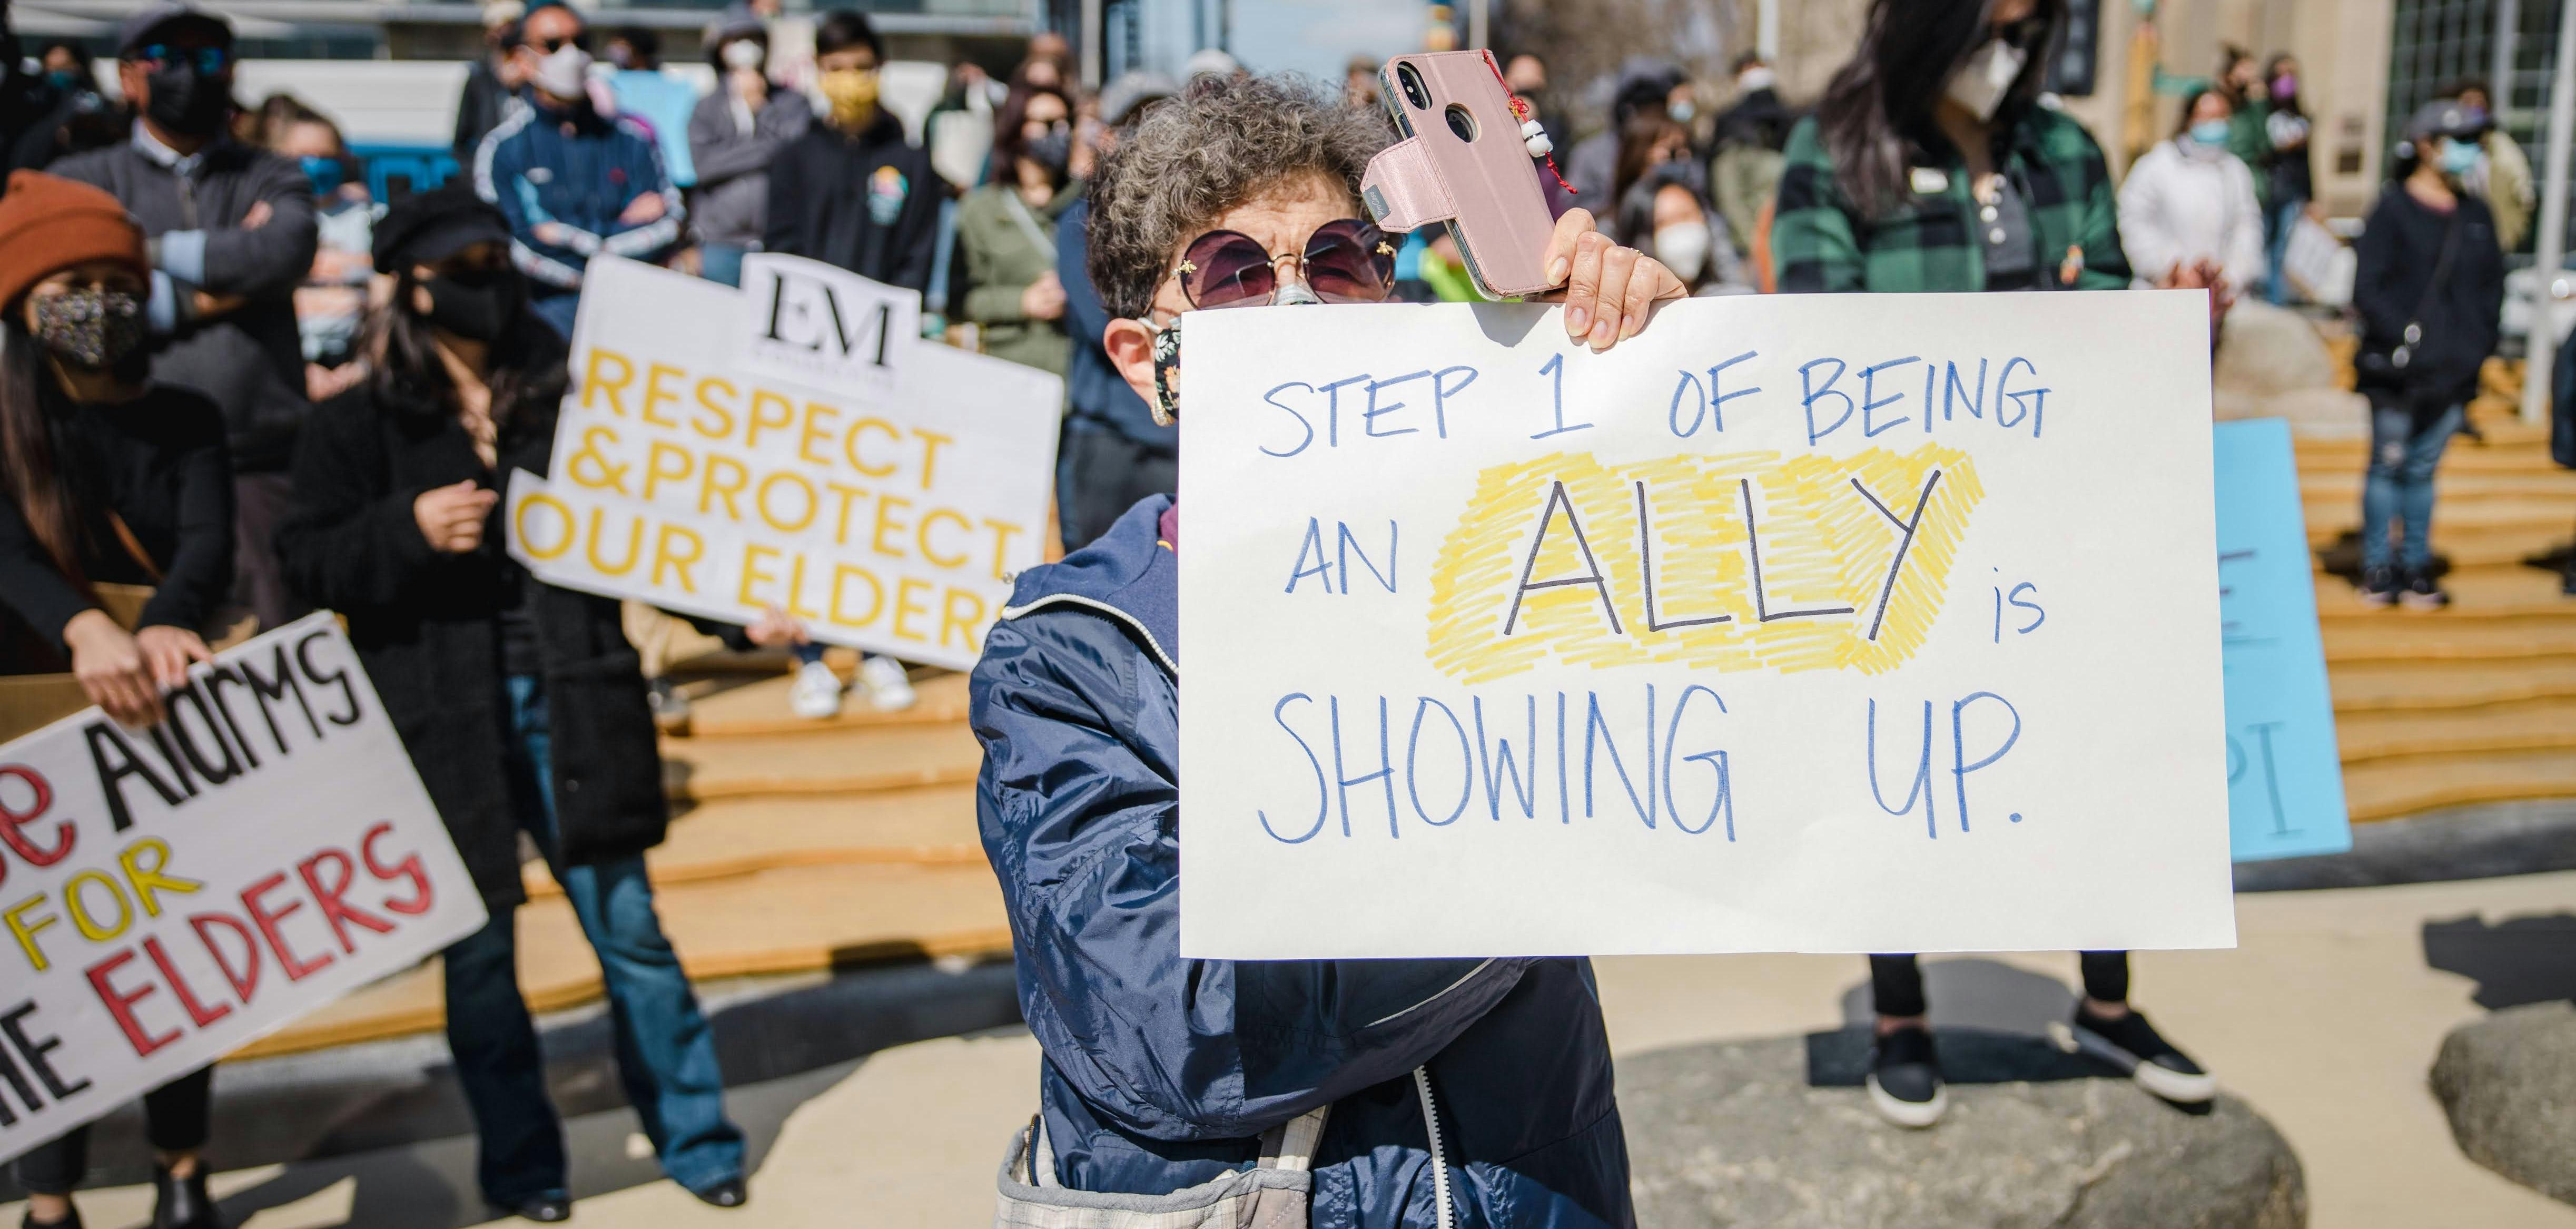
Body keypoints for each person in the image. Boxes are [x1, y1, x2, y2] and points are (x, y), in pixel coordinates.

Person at [974, 71, 1685, 1226]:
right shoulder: (1068, 658)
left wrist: (1645, 373)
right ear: (1143, 358)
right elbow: (1182, 1026)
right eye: (1234, 274)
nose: (1297, 306)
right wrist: (1550, 870)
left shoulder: (1515, 552)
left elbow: (1720, 688)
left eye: (1342, 260)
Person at [1773, 0, 2216, 1130]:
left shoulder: (2061, 149)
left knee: (2093, 750)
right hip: (1901, 523)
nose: (2010, 40)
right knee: (1896, 752)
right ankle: (1898, 1009)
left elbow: (2111, 301)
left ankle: (2109, 1002)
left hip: (2060, 512)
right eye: (1992, 15)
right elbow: (1819, 337)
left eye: (2031, 17)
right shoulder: (1836, 149)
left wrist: (2171, 325)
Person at [274, 184, 748, 1223]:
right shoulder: (357, 423)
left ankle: (698, 1136)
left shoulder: (573, 400)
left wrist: (739, 618)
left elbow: (651, 536)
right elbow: (303, 559)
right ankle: (524, 1167)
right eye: (467, 268)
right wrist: (404, 529)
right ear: (413, 285)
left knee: (630, 930)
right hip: (444, 717)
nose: (489, 287)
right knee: (481, 955)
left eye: (499, 263)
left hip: (576, 696)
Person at [0, 171, 233, 1229]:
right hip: (31, 732)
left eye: (113, 279)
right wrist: (79, 625)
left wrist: (167, 621)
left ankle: (182, 1167)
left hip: (159, 717)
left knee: (169, 953)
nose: (96, 300)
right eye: (70, 283)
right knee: (47, 969)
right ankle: (49, 1197)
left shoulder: (187, 417)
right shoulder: (7, 429)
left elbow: (207, 543)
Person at [54, 2, 318, 636]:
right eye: (165, 60)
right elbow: (72, 311)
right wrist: (225, 284)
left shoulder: (271, 172)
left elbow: (283, 251)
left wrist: (137, 252)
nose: (188, 76)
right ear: (127, 79)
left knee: (267, 640)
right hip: (125, 468)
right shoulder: (82, 180)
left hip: (261, 459)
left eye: (207, 59)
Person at [2350, 101, 2506, 609]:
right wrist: (2408, 339)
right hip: (2396, 372)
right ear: (2425, 145)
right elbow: (2367, 288)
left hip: (2452, 375)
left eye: (2473, 144)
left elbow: (2490, 294)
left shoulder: (2476, 214)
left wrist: (2472, 350)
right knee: (2387, 466)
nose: (2468, 153)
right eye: (2458, 141)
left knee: (2422, 472)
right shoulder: (2392, 209)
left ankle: (2415, 563)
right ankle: (2378, 565)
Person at [474, 0, 685, 340]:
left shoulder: (633, 139)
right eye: (554, 45)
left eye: (581, 43)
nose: (571, 56)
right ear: (522, 59)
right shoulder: (504, 149)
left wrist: (565, 235)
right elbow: (515, 241)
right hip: (548, 319)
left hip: (634, 315)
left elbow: (669, 220)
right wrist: (616, 235)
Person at [1053, 71, 1175, 550]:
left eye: (1161, 124)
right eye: (1132, 123)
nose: (1146, 138)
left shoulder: (1194, 224)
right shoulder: (1079, 221)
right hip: (1108, 445)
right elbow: (1101, 318)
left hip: (1174, 441)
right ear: (1106, 136)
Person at [762, 10, 937, 296]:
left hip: (880, 323)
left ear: (880, 68)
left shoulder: (912, 162)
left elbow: (917, 256)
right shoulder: (794, 158)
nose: (850, 80)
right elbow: (781, 247)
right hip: (805, 319)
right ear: (819, 70)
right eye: (836, 69)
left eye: (861, 68)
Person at [956, 83, 1074, 377]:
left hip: (1077, 378)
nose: (1060, 132)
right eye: (1047, 124)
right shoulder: (980, 209)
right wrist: (1023, 302)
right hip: (1010, 371)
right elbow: (962, 300)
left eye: (1066, 123)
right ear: (1017, 128)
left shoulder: (1089, 203)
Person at [686, 9, 807, 288]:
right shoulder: (706, 108)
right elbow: (704, 167)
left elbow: (793, 153)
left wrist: (761, 109)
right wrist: (764, 150)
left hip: (778, 243)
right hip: (721, 243)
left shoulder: (792, 103)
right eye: (736, 40)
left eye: (753, 39)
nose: (746, 48)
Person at [268, 101, 377, 400]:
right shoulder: (262, 222)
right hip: (286, 366)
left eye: (326, 156)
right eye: (302, 157)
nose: (315, 165)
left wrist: (364, 366)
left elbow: (385, 299)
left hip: (352, 366)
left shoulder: (369, 218)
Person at [2116, 86, 2265, 293]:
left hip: (2220, 295)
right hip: (2164, 290)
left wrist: (2230, 276)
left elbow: (2247, 226)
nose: (2216, 124)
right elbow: (2133, 220)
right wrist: (2169, 266)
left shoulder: (2235, 170)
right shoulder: (2157, 164)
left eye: (2222, 117)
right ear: (2189, 119)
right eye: (2208, 117)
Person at [1608, 110, 1745, 293]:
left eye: (1686, 148)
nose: (1683, 157)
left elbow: (1728, 271)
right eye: (1672, 150)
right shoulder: (1615, 225)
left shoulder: (1700, 202)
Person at [1565, 58, 1686, 217]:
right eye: (1639, 102)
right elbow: (1574, 207)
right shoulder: (1589, 154)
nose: (1648, 113)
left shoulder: (1679, 145)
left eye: (1654, 103)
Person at [1710, 52, 1793, 261]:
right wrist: (1756, 247)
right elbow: (1730, 197)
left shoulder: (1788, 121)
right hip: (1753, 248)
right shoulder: (1731, 129)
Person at [603, 26, 699, 189]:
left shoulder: (610, 86)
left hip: (665, 177)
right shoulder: (680, 87)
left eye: (622, 48)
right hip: (644, 175)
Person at [2451, 78, 2535, 254]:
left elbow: (2522, 191)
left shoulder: (2500, 145)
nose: (2473, 107)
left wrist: (2514, 231)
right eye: (2467, 102)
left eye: (2479, 102)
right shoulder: (2445, 145)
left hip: (2493, 239)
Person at [2260, 55, 2314, 303]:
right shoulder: (2262, 113)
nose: (2286, 81)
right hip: (2266, 190)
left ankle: (2274, 301)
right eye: (2280, 75)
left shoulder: (2300, 117)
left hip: (2290, 192)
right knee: (2260, 245)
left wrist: (2312, 198)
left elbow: (2306, 163)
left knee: (2281, 250)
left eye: (2290, 75)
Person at [452, 0, 527, 161]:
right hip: (488, 166)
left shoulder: (533, 76)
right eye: (500, 28)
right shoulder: (479, 77)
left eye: (512, 26)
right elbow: (461, 139)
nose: (506, 33)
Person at [2217, 45, 2271, 214]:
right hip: (2219, 177)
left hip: (2248, 180)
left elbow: (2264, 144)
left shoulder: (2253, 108)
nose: (2250, 76)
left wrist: (2260, 102)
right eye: (2245, 69)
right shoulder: (2217, 103)